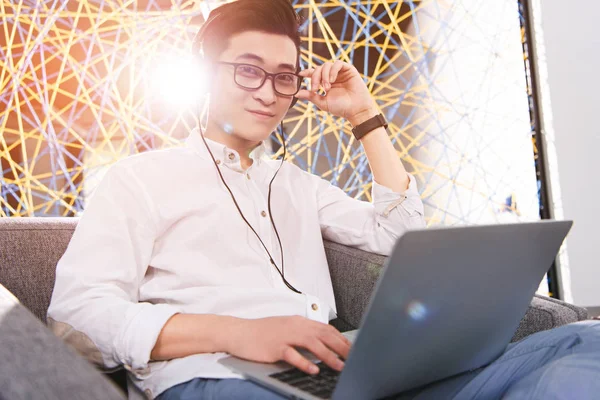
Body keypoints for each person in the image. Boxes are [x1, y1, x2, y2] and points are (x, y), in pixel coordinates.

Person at [47, 1, 600, 399]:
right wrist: (243, 332)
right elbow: (77, 318)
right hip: (218, 375)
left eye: (284, 78)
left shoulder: (297, 184)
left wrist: (364, 115)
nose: (267, 93)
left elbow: (397, 235)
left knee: (582, 341)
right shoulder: (139, 179)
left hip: (335, 370)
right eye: (248, 71)